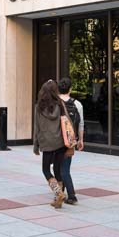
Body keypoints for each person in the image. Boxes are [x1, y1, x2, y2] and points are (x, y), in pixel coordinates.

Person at [33, 79, 67, 209]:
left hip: (46, 141)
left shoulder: (39, 107)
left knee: (46, 169)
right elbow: (65, 122)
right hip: (60, 141)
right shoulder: (60, 105)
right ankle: (59, 197)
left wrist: (36, 144)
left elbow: (37, 127)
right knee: (57, 170)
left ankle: (58, 193)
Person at [58, 77, 84, 205]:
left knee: (61, 169)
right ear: (70, 89)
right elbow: (81, 124)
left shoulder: (54, 103)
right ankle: (62, 192)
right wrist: (81, 140)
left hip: (56, 141)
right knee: (65, 167)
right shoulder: (77, 104)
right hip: (70, 140)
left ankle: (71, 195)